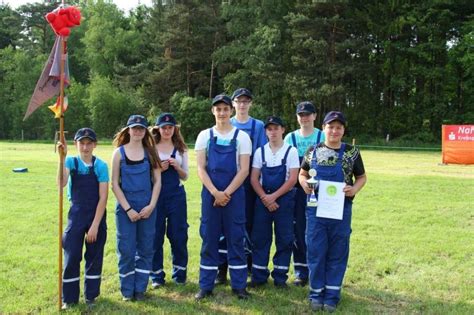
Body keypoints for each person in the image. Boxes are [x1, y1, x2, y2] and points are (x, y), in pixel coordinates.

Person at [299, 111, 366, 312]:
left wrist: (354, 189)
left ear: (343, 130)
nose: (334, 131)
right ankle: (316, 293)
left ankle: (332, 295)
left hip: (341, 211)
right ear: (324, 128)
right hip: (315, 211)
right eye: (331, 126)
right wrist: (304, 184)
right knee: (316, 251)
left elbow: (361, 177)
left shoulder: (351, 153)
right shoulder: (313, 151)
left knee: (337, 252)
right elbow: (303, 174)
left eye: (338, 127)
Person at [194, 94, 252, 300]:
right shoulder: (204, 136)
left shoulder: (242, 137)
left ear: (231, 111)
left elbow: (244, 170)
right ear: (213, 111)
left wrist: (226, 193)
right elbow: (201, 168)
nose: (222, 113)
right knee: (209, 239)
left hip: (234, 196)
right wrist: (215, 192)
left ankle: (239, 286)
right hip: (210, 195)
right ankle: (205, 286)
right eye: (218, 109)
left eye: (225, 109)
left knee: (236, 239)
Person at [215, 88, 267, 284]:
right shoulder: (226, 123)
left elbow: (260, 155)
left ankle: (249, 265)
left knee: (248, 225)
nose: (243, 105)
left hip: (248, 181)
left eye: (246, 101)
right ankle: (222, 269)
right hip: (225, 179)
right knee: (222, 226)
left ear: (250, 103)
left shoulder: (258, 126)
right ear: (233, 105)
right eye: (239, 101)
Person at [111, 114, 162, 301]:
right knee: (126, 249)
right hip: (126, 209)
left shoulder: (151, 153)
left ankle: (140, 288)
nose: (138, 131)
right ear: (128, 130)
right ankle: (127, 291)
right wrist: (128, 209)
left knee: (146, 248)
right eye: (134, 128)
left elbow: (157, 182)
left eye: (141, 128)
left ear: (145, 131)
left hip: (147, 207)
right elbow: (114, 184)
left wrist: (151, 206)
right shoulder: (119, 153)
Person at [57, 128, 108, 310]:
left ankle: (91, 296)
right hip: (76, 214)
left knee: (94, 256)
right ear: (76, 144)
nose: (85, 147)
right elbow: (61, 184)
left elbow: (103, 197)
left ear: (94, 145)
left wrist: (95, 225)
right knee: (71, 255)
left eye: (89, 143)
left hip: (97, 215)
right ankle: (69, 299)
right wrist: (61, 158)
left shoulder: (101, 166)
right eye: (81, 143)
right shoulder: (71, 162)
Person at [249, 116, 299, 288]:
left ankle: (280, 277)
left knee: (284, 238)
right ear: (266, 132)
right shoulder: (260, 152)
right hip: (263, 200)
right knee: (260, 238)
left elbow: (293, 179)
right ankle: (258, 276)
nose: (273, 132)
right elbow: (254, 178)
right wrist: (265, 197)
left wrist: (274, 197)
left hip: (284, 201)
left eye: (276, 128)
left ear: (283, 130)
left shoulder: (291, 151)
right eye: (269, 129)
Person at [283, 101, 325, 286]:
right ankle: (301, 271)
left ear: (315, 116)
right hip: (295, 192)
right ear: (297, 117)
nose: (304, 117)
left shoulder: (323, 136)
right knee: (298, 231)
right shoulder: (289, 138)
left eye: (308, 114)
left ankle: (318, 269)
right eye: (301, 114)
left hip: (320, 191)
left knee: (317, 231)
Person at [150, 113, 189, 287]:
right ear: (158, 128)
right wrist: (159, 168)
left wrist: (177, 166)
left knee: (178, 234)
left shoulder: (181, 149)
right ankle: (156, 276)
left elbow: (185, 176)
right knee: (155, 235)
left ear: (175, 129)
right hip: (156, 196)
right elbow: (147, 176)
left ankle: (179, 274)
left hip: (177, 196)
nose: (167, 130)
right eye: (163, 127)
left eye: (170, 127)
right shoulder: (150, 147)